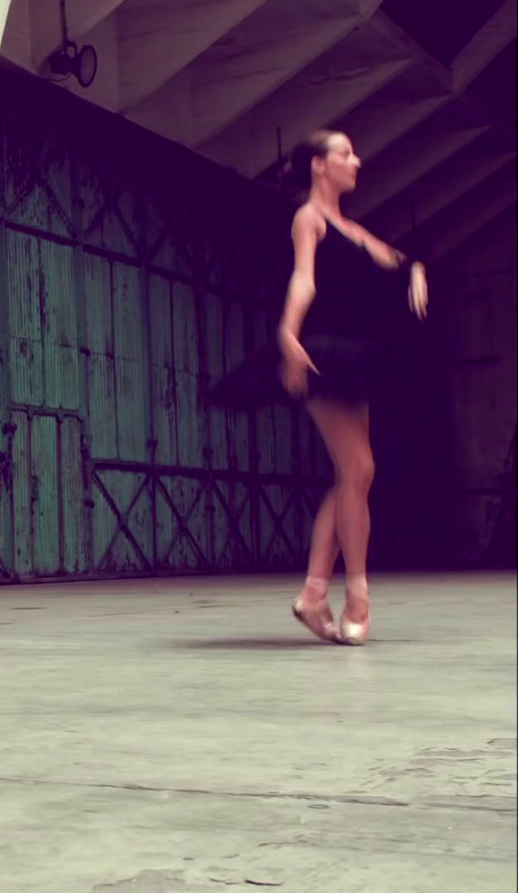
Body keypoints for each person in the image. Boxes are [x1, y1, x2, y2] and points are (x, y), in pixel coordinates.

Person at [210, 130, 429, 646]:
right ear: (317, 166)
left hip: (358, 359)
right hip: (322, 355)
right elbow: (303, 279)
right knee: (360, 469)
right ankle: (357, 595)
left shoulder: (354, 229)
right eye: (345, 153)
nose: (357, 159)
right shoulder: (308, 219)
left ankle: (313, 593)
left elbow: (397, 258)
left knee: (351, 477)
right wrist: (287, 332)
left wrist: (416, 270)